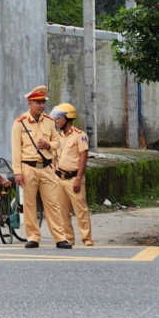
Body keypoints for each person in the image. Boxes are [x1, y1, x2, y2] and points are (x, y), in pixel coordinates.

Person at [10, 86, 64, 249]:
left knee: (52, 203)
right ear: (29, 103)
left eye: (43, 102)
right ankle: (33, 237)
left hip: (47, 167)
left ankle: (60, 238)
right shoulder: (20, 123)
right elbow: (16, 150)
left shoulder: (49, 121)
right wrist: (17, 172)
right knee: (29, 204)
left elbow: (58, 142)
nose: (42, 106)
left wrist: (48, 145)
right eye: (38, 102)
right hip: (28, 168)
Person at [50, 103, 93, 248]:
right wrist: (54, 170)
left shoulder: (79, 135)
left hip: (74, 178)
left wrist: (78, 178)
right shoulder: (59, 137)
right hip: (59, 178)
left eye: (59, 118)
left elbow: (84, 157)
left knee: (80, 210)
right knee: (62, 211)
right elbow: (55, 155)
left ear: (68, 118)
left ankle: (87, 239)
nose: (56, 120)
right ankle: (68, 238)